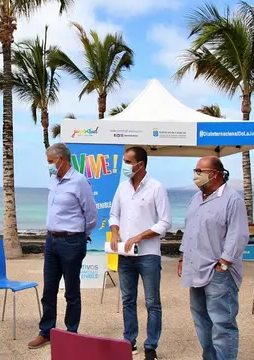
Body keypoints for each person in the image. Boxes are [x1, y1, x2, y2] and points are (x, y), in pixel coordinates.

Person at [177, 156, 250, 360]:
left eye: (199, 171)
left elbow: (238, 235)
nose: (195, 175)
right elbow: (190, 230)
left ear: (214, 174)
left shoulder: (232, 199)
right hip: (196, 268)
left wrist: (224, 263)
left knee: (222, 323)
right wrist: (183, 257)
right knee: (201, 319)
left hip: (219, 272)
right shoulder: (196, 199)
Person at [28, 143, 98, 349]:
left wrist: (81, 235)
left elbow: (91, 215)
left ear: (62, 160)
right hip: (51, 241)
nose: (49, 166)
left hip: (71, 241)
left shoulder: (79, 182)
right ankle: (46, 331)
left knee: (71, 291)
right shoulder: (53, 180)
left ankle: (71, 334)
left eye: (51, 162)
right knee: (49, 289)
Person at [109, 147, 171, 360]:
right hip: (125, 255)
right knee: (127, 299)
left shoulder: (156, 188)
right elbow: (113, 215)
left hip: (148, 255)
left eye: (127, 161)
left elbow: (165, 222)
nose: (124, 165)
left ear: (140, 164)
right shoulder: (121, 188)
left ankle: (151, 346)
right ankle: (129, 341)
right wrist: (115, 232)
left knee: (152, 301)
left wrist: (139, 237)